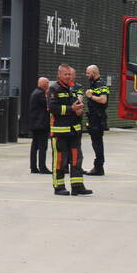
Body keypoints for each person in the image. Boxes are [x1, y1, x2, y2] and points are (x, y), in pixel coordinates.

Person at [47, 64, 92, 196]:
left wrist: (79, 111)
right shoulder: (53, 89)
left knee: (77, 159)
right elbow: (53, 108)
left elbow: (76, 106)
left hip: (74, 131)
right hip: (60, 132)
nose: (68, 76)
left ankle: (77, 186)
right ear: (59, 75)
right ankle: (59, 187)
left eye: (69, 74)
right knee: (60, 160)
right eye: (65, 74)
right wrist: (71, 109)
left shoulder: (72, 88)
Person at [84, 65, 110, 176]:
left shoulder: (100, 84)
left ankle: (99, 168)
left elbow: (103, 100)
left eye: (88, 73)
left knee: (98, 143)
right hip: (93, 117)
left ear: (94, 73)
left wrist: (90, 96)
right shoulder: (94, 83)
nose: (86, 75)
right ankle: (98, 167)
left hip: (98, 118)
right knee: (95, 143)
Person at [28, 76, 51, 174]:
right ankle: (42, 167)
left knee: (35, 146)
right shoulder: (41, 94)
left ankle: (33, 167)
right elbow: (48, 105)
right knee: (42, 146)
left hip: (35, 123)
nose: (48, 85)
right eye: (47, 83)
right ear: (44, 84)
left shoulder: (35, 92)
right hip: (41, 124)